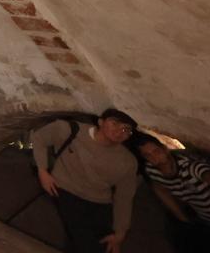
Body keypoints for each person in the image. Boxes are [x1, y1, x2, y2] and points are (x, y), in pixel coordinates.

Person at [31, 108, 139, 253]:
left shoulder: (127, 161)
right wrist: (42, 171)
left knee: (104, 244)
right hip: (66, 189)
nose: (120, 131)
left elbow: (124, 197)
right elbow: (39, 137)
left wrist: (121, 231)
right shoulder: (71, 130)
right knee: (85, 242)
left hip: (100, 202)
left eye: (126, 129)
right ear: (101, 122)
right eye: (115, 124)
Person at [135, 133, 210, 251]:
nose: (154, 157)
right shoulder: (152, 170)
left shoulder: (188, 166)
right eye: (148, 155)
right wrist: (181, 217)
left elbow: (205, 172)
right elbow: (160, 189)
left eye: (156, 151)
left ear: (165, 149)